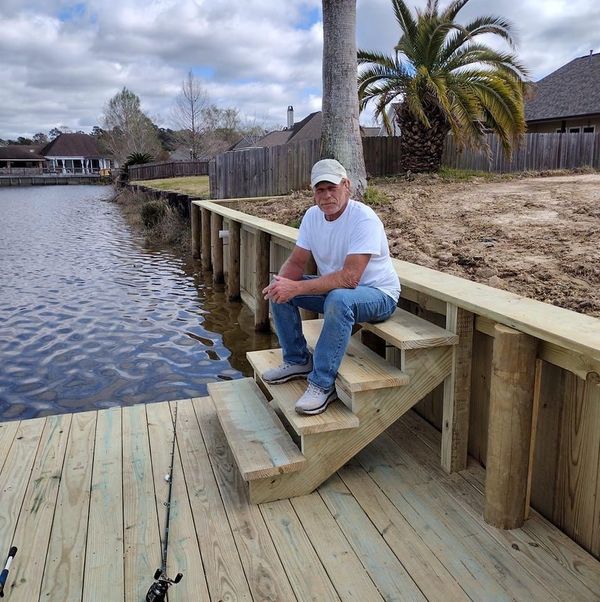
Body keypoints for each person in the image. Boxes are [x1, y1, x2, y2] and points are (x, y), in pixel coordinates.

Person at [262, 158, 400, 415]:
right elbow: (296, 261)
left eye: (332, 188)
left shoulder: (363, 219)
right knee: (279, 288)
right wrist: (282, 285)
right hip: (338, 291)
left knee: (338, 299)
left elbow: (350, 278)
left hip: (379, 295)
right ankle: (297, 360)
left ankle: (322, 385)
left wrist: (298, 289)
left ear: (346, 185)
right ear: (313, 191)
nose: (325, 196)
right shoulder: (312, 217)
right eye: (319, 190)